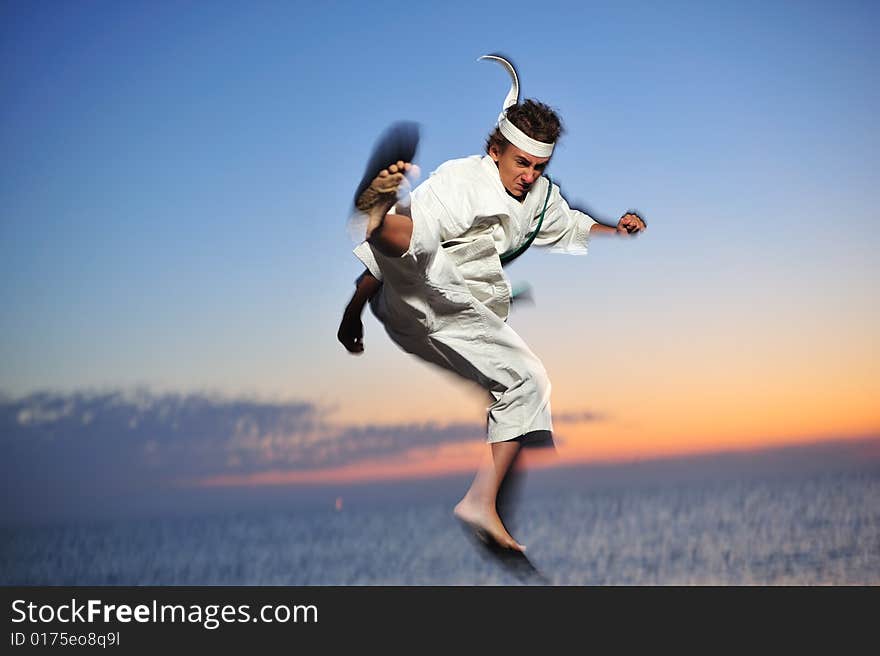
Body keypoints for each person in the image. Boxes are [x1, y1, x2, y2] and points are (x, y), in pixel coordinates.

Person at [337, 55, 646, 552]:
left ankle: (482, 503)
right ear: (495, 150)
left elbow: (567, 224)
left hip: (465, 313)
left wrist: (616, 228)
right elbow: (416, 243)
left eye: (538, 167)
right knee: (419, 249)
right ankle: (378, 215)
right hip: (412, 295)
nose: (528, 175)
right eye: (520, 163)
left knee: (530, 380)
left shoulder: (541, 197)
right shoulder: (462, 180)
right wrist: (353, 313)